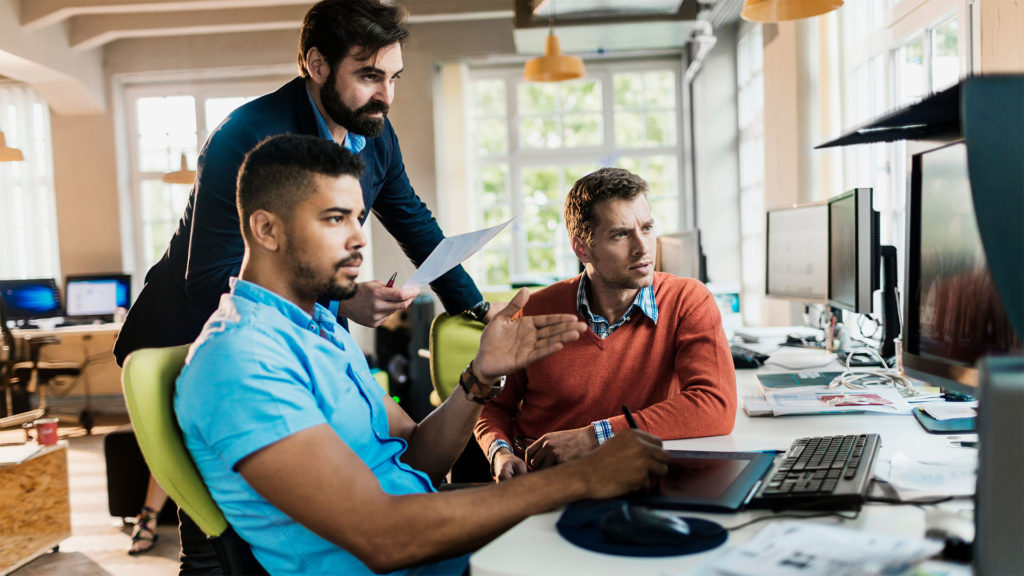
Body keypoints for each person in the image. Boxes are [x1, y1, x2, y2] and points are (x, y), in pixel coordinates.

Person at [174, 134, 670, 575]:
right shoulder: (240, 358)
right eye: (334, 219)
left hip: (435, 543)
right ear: (266, 230)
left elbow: (416, 458)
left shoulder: (319, 330)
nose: (358, 238)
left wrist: (479, 378)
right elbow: (382, 537)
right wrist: (580, 479)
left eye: (357, 217)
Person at [114, 0, 496, 367]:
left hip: (292, 333)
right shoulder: (244, 136)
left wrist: (478, 308)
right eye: (369, 76)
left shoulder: (375, 134)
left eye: (393, 78)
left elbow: (414, 224)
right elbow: (210, 278)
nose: (386, 97)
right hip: (192, 340)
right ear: (317, 65)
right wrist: (341, 301)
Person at [474, 167, 737, 481]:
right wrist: (499, 451)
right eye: (621, 234)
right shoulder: (535, 311)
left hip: (634, 478)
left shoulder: (687, 300)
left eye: (647, 228)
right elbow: (491, 406)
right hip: (541, 481)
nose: (643, 248)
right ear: (582, 248)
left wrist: (594, 436)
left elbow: (714, 405)